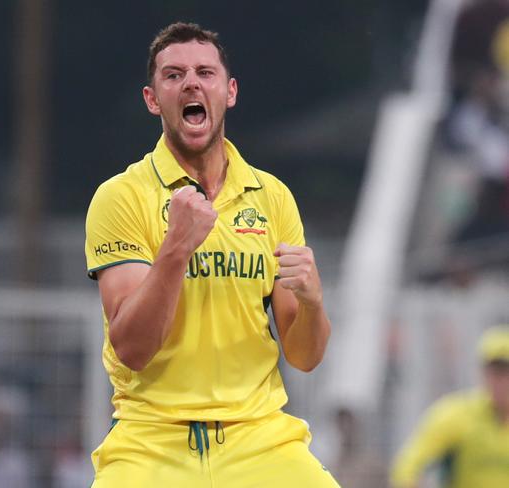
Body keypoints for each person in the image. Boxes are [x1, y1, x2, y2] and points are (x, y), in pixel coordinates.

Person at [84, 22, 338, 487]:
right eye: (174, 75)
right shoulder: (121, 197)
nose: (192, 83)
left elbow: (303, 356)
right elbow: (134, 349)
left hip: (259, 438)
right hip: (151, 440)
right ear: (152, 98)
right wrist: (175, 249)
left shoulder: (272, 196)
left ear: (230, 91)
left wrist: (313, 302)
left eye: (205, 72)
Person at [390, 325, 509, 488]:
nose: (503, 381)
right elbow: (408, 465)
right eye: (497, 372)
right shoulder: (457, 415)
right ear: (484, 373)